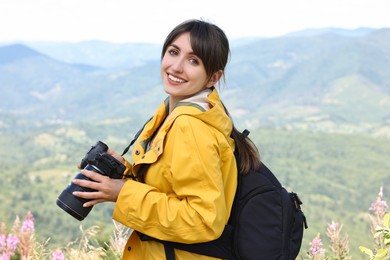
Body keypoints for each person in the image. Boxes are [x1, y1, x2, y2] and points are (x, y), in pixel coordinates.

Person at [72, 19, 260, 259]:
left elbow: (202, 219)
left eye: (194, 61)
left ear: (213, 77)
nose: (177, 67)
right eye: (173, 52)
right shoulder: (180, 112)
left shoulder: (190, 126)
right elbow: (169, 188)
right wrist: (123, 174)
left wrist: (123, 193)